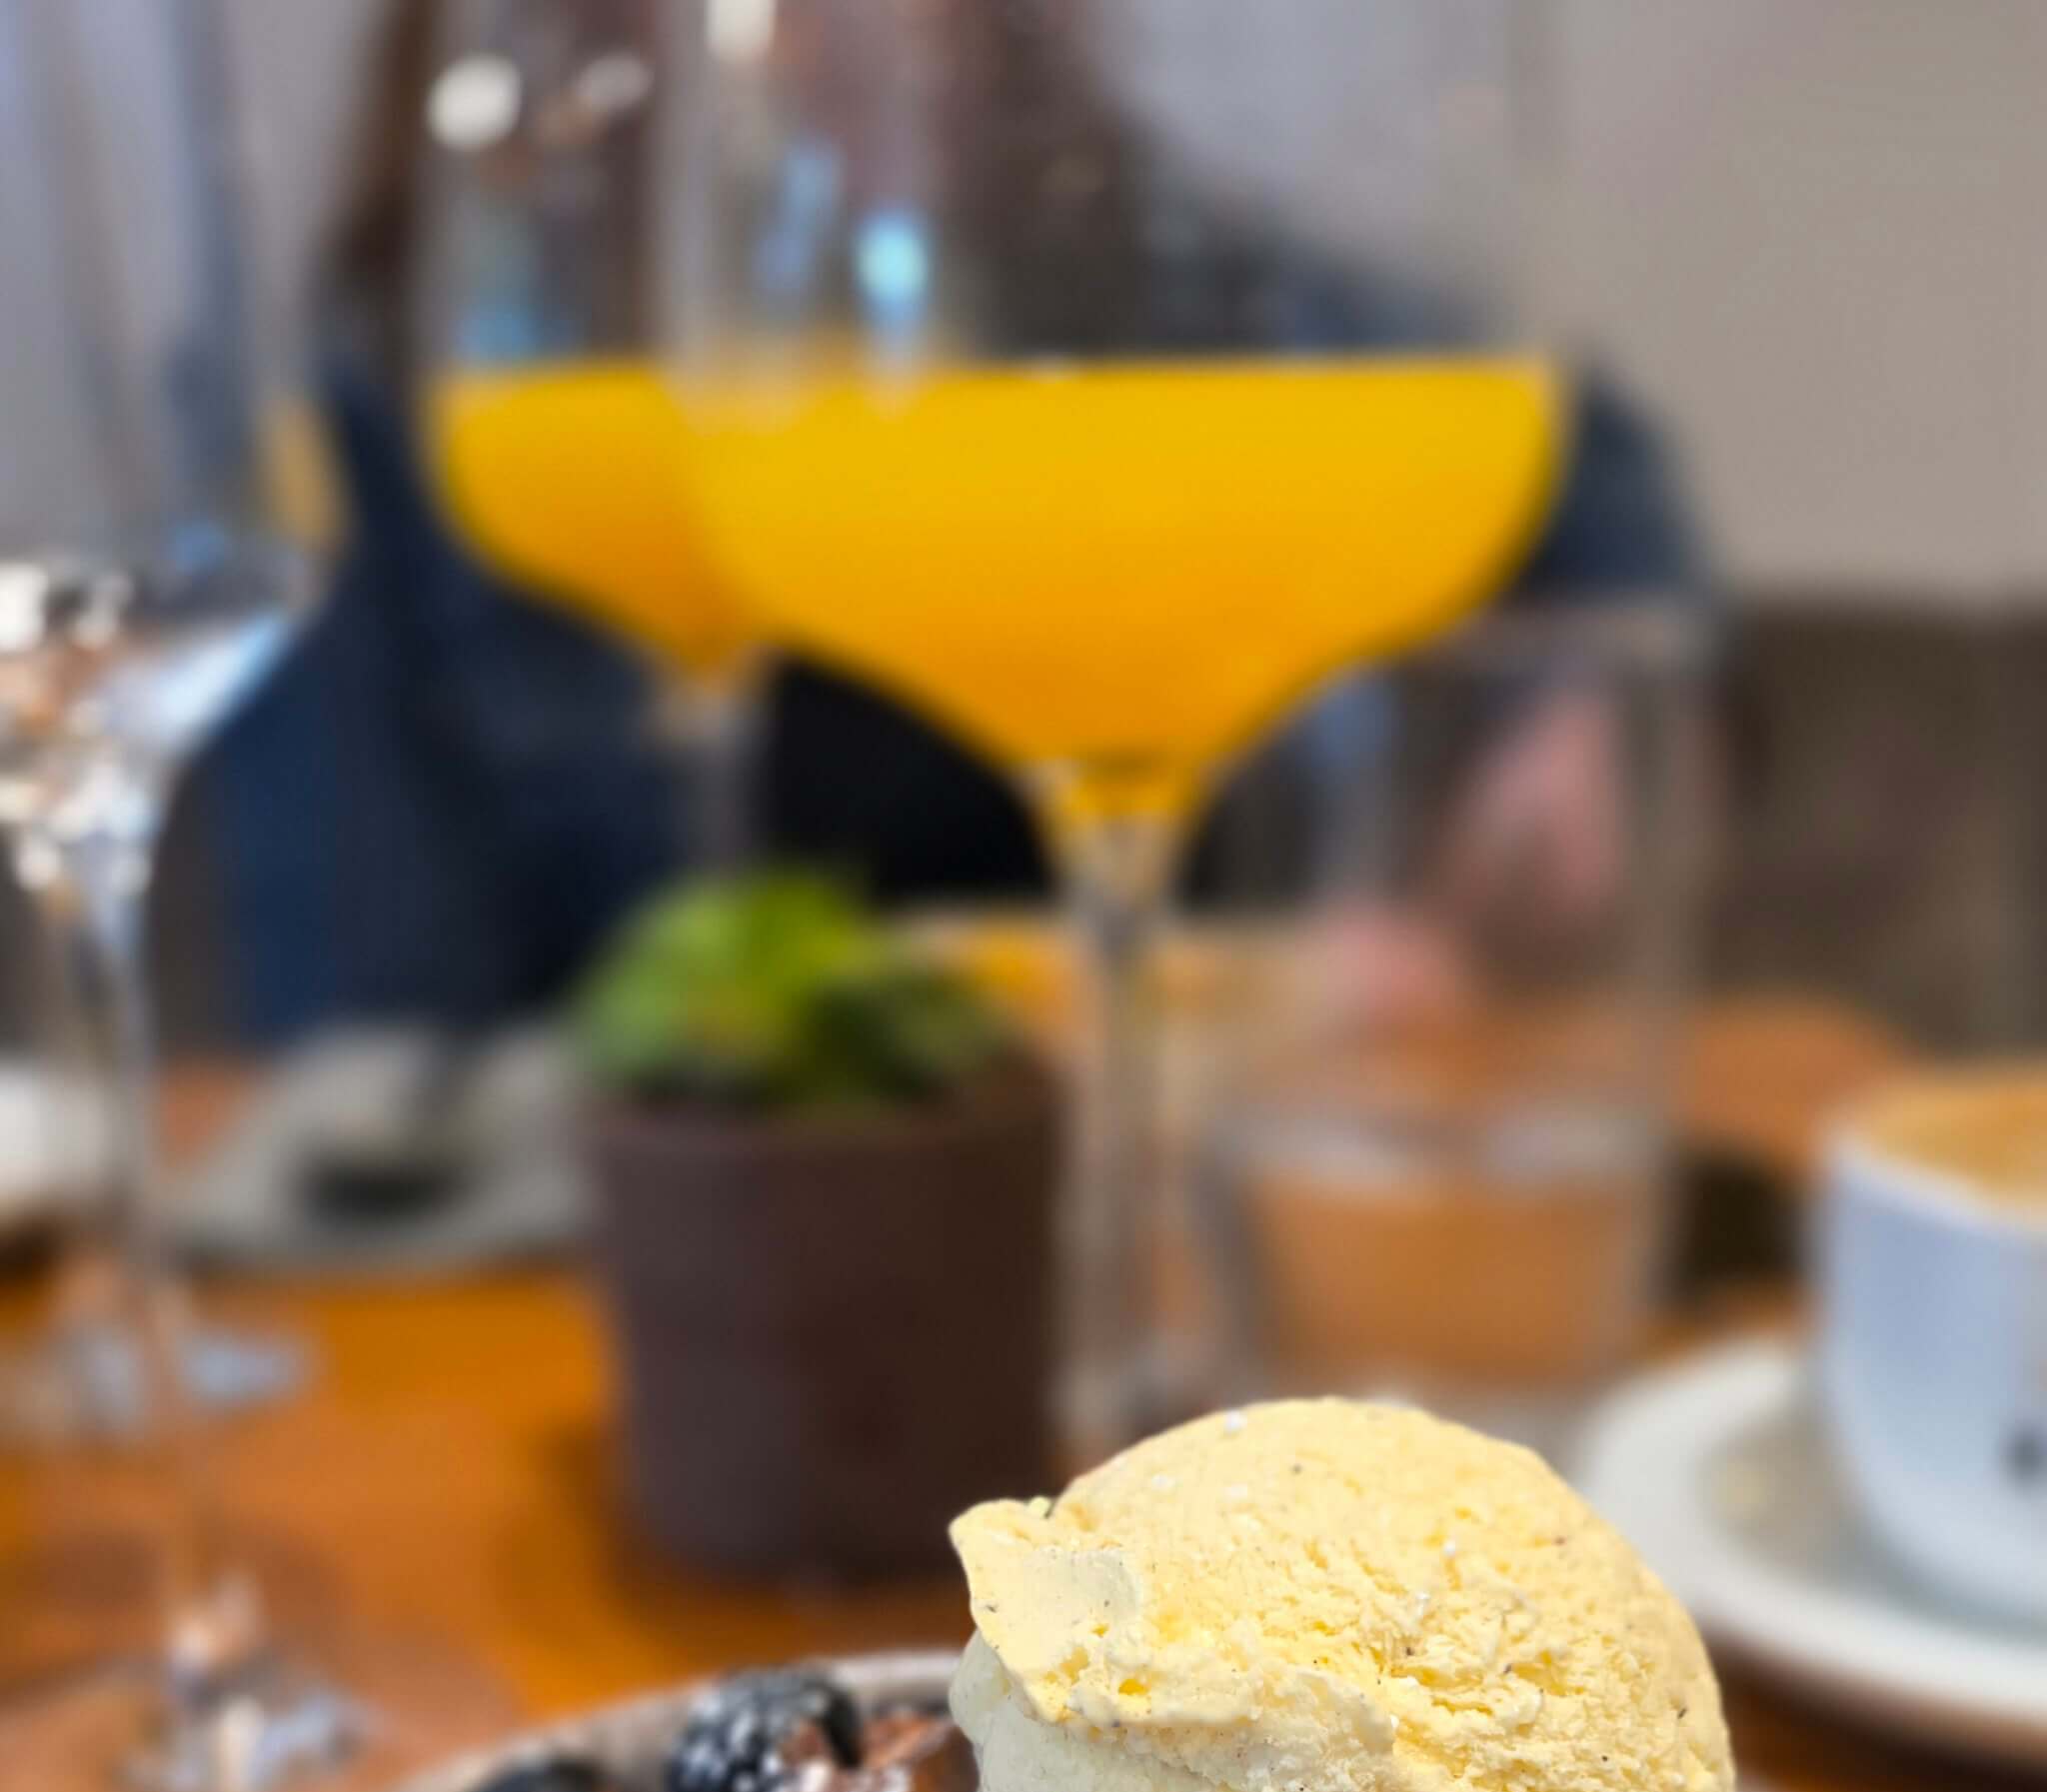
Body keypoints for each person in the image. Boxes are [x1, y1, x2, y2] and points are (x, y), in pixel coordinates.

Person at [185, 0, 1707, 1045]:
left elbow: (1542, 424)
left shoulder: (1100, 274)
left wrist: (1578, 704)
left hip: (1100, 1161)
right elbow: (359, 1032)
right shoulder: (380, 426)